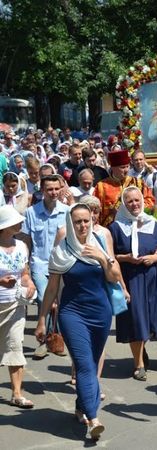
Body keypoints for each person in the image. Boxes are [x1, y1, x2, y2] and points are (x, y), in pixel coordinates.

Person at [36, 203, 123, 440]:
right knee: (84, 365)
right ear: (70, 224)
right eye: (78, 222)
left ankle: (80, 406)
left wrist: (103, 259)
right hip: (72, 313)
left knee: (92, 365)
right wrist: (42, 319)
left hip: (101, 313)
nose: (83, 225)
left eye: (86, 220)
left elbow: (115, 277)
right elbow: (52, 288)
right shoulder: (61, 251)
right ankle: (93, 418)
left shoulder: (100, 243)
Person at [110, 187, 157, 381]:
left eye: (137, 200)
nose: (134, 205)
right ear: (124, 204)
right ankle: (139, 364)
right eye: (130, 202)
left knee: (150, 318)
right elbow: (110, 256)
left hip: (151, 277)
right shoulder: (116, 227)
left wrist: (155, 257)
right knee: (136, 318)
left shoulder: (152, 223)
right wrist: (125, 258)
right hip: (130, 278)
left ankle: (141, 349)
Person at [20, 174, 69, 358]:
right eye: (50, 189)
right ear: (42, 191)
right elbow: (26, 242)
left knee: (62, 303)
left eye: (57, 188)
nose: (54, 192)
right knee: (43, 298)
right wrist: (25, 270)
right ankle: (43, 341)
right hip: (40, 264)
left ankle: (57, 340)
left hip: (62, 264)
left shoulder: (67, 211)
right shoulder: (31, 213)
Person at [0, 206, 36, 409]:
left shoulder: (22, 245)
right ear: (5, 227)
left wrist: (28, 283)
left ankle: (17, 393)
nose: (20, 223)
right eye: (15, 221)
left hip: (15, 304)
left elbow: (24, 271)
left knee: (15, 345)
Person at [94, 150, 155, 227]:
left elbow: (150, 201)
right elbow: (95, 210)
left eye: (127, 166)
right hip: (110, 229)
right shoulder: (101, 186)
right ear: (113, 168)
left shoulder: (138, 183)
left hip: (134, 226)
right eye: (122, 167)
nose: (126, 170)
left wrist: (132, 209)